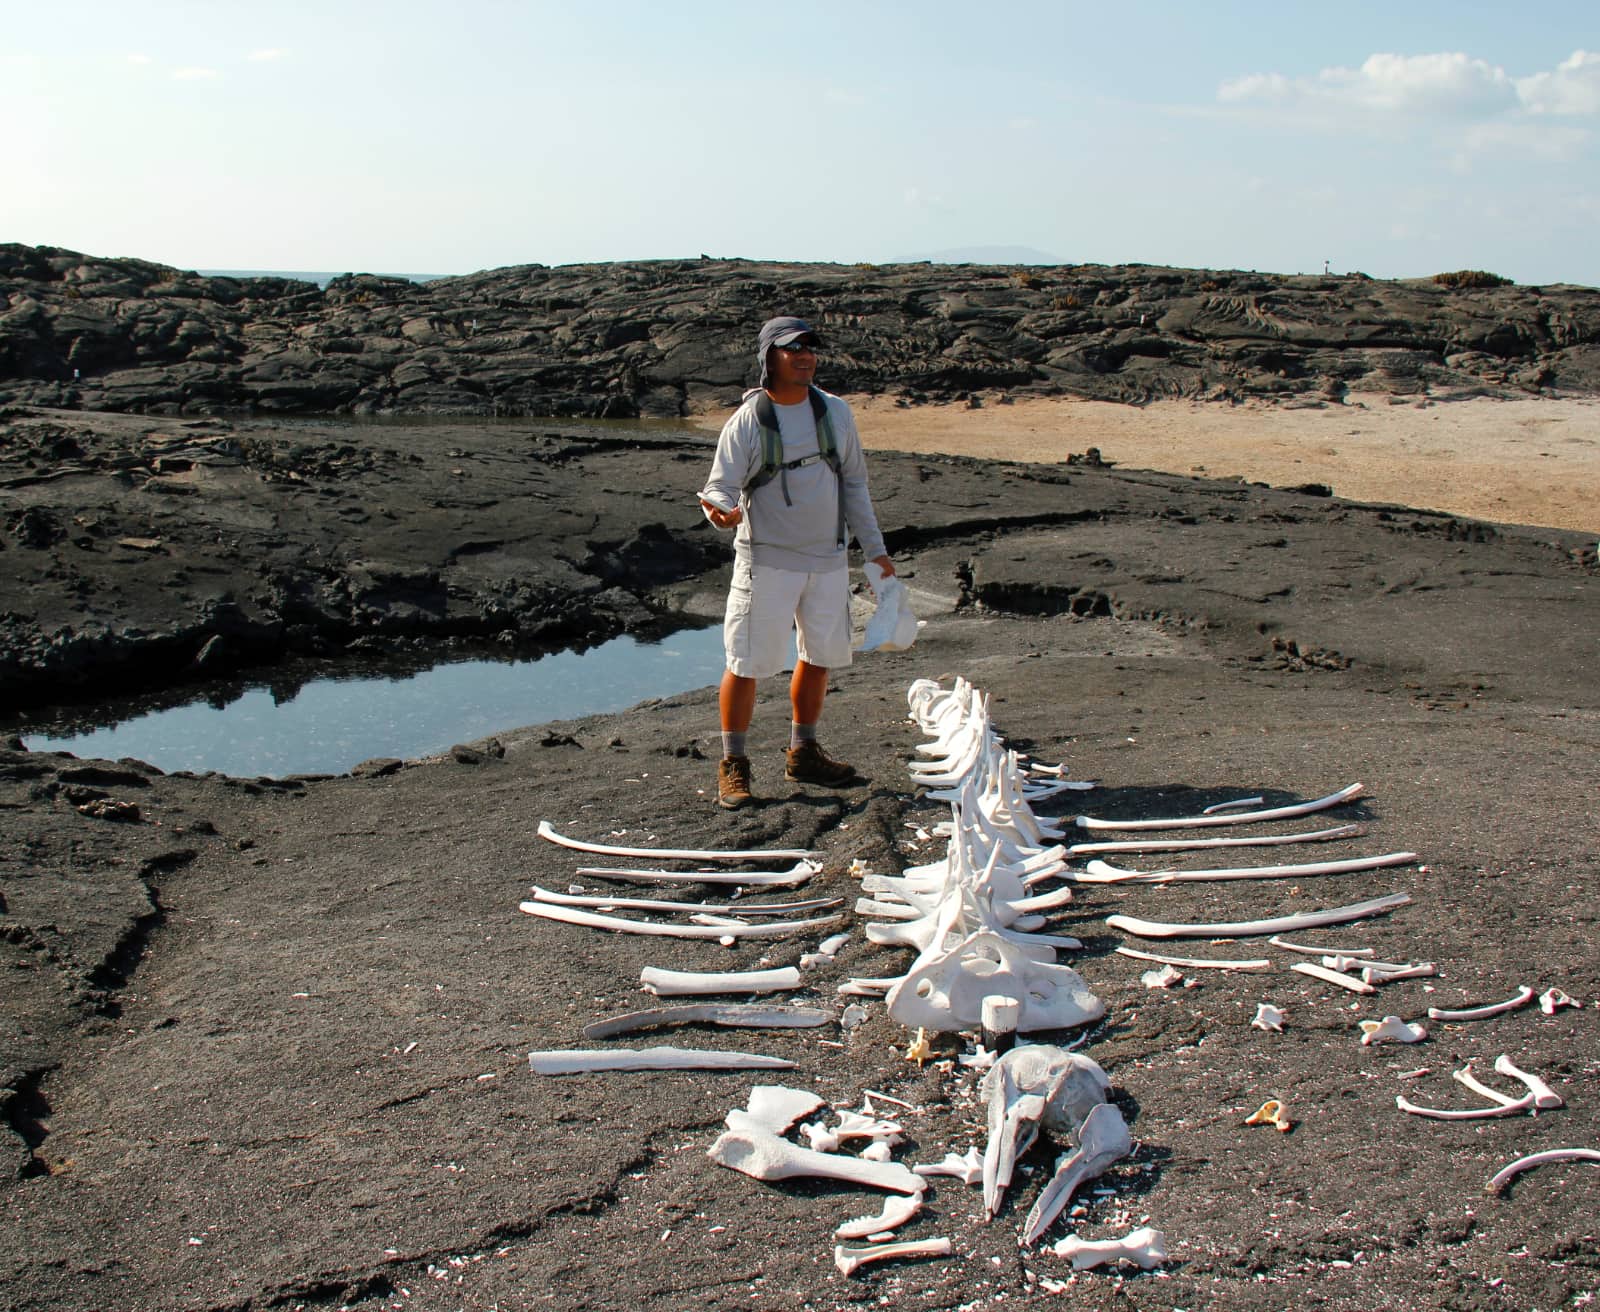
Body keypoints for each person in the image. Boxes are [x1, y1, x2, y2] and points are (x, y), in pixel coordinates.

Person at [698, 316, 895, 810]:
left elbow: (854, 486)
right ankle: (734, 765)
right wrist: (719, 513)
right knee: (747, 663)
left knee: (820, 656)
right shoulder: (747, 421)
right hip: (765, 562)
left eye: (810, 347)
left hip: (826, 561)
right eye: (792, 349)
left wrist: (876, 552)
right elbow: (719, 485)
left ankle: (803, 752)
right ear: (770, 357)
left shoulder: (836, 414)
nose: (805, 355)